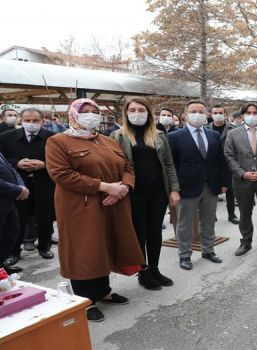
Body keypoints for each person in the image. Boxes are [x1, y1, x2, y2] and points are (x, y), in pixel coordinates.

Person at [45, 98, 144, 322]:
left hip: (114, 203)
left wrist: (124, 187)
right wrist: (104, 186)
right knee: (84, 250)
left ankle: (102, 291)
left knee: (105, 245)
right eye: (85, 111)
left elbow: (127, 167)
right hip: (81, 207)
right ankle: (84, 299)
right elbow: (61, 174)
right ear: (73, 114)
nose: (91, 115)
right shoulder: (58, 141)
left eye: (95, 111)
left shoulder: (108, 141)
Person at [111, 98, 180, 291]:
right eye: (132, 109)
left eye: (141, 109)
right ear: (126, 113)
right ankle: (144, 272)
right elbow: (115, 166)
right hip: (134, 193)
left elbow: (169, 164)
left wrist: (174, 189)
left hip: (158, 191)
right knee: (139, 233)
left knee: (155, 232)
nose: (137, 113)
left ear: (148, 113)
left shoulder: (159, 135)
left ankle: (155, 269)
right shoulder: (118, 136)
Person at [168, 100, 229, 270]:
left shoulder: (213, 135)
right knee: (185, 224)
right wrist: (173, 189)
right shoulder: (174, 137)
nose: (197, 114)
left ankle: (208, 250)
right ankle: (185, 255)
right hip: (186, 187)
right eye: (193, 111)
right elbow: (171, 164)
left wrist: (224, 182)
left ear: (206, 114)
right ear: (185, 114)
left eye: (201, 111)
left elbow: (220, 161)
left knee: (208, 221)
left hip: (211, 185)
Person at [0, 108, 56, 267]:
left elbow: (60, 160)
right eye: (28, 120)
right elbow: (2, 159)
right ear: (20, 120)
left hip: (44, 183)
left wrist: (44, 164)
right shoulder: (6, 138)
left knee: (45, 217)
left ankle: (44, 246)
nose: (31, 124)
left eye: (35, 121)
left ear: (42, 121)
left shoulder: (53, 138)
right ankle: (13, 251)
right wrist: (17, 163)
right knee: (18, 219)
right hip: (18, 184)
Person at [224, 103, 257, 256]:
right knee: (244, 213)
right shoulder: (233, 134)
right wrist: (242, 173)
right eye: (249, 112)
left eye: (255, 112)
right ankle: (246, 242)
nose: (252, 115)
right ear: (242, 115)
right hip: (242, 181)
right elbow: (228, 156)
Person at [207, 105, 239, 224]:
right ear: (211, 114)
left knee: (230, 190)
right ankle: (212, 214)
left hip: (228, 162)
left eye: (220, 112)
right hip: (212, 163)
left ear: (225, 114)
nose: (218, 115)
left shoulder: (233, 129)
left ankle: (232, 214)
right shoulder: (206, 128)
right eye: (215, 112)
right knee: (212, 190)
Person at [0, 151, 28, 274]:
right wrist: (16, 189)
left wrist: (21, 186)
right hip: (5, 196)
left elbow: (11, 169)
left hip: (8, 202)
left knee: (10, 233)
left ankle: (1, 265)